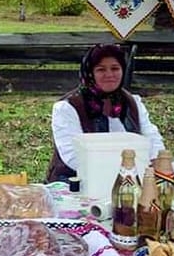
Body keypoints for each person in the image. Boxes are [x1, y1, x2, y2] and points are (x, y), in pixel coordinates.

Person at [47, 44, 166, 184]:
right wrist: (118, 172)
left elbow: (151, 137)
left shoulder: (132, 102)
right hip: (77, 181)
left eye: (115, 68)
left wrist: (156, 162)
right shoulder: (67, 107)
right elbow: (72, 156)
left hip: (131, 177)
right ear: (90, 73)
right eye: (101, 69)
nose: (109, 75)